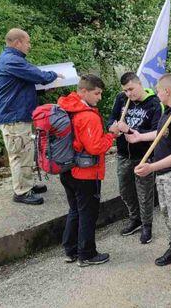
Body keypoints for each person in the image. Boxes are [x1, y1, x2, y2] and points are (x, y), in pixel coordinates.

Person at [132, 73, 171, 278]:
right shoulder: (168, 111)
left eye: (158, 90)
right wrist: (140, 136)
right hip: (163, 174)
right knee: (168, 214)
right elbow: (161, 133)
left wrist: (152, 167)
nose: (157, 93)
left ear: (166, 91)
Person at [0, 28, 63, 205]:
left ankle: (27, 184)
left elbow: (21, 89)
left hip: (16, 114)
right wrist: (55, 76)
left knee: (25, 152)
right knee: (20, 154)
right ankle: (22, 192)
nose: (29, 46)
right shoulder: (12, 61)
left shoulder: (11, 60)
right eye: (27, 42)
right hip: (13, 118)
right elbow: (38, 75)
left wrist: (46, 88)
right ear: (18, 43)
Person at [57, 74, 116, 266]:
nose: (99, 98)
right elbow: (95, 147)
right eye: (97, 93)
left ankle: (70, 250)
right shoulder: (87, 116)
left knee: (74, 210)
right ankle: (87, 254)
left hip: (66, 169)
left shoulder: (65, 107)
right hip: (85, 173)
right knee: (88, 213)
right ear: (83, 91)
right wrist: (112, 134)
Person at [107, 72, 162, 242]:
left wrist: (129, 130)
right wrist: (113, 127)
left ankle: (147, 225)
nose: (129, 93)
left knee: (144, 193)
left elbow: (157, 133)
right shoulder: (121, 99)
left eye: (131, 89)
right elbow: (111, 119)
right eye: (125, 90)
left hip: (144, 155)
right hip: (124, 154)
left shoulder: (154, 103)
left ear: (139, 84)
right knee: (125, 190)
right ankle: (135, 218)